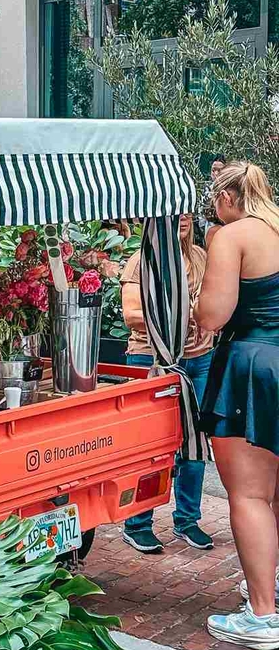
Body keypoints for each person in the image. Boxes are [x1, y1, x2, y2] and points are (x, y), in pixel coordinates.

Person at [195, 162, 279, 650]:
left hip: (253, 364)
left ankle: (264, 615)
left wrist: (194, 310)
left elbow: (214, 314)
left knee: (249, 495)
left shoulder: (232, 236)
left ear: (227, 198)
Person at [119, 213, 215, 553]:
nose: (183, 217)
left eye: (187, 210)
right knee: (151, 446)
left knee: (195, 441)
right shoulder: (140, 262)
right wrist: (180, 315)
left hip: (198, 360)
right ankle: (137, 522)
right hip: (153, 359)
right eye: (174, 212)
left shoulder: (203, 258)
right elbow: (131, 314)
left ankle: (187, 519)